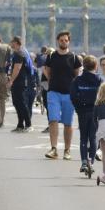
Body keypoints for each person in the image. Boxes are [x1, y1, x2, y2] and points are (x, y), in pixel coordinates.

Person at [44, 31, 82, 160]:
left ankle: (67, 150)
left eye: (66, 40)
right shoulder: (51, 56)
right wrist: (51, 83)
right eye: (61, 40)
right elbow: (47, 71)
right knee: (53, 119)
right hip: (53, 92)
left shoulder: (74, 57)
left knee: (67, 123)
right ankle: (54, 148)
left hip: (68, 94)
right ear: (57, 41)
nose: (64, 42)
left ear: (69, 42)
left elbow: (77, 75)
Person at [70, 55, 102, 174]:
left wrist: (78, 108)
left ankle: (84, 161)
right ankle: (91, 161)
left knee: (83, 137)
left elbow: (73, 96)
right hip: (95, 111)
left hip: (82, 111)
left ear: (84, 66)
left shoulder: (77, 80)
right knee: (93, 138)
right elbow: (102, 97)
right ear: (96, 66)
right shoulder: (99, 80)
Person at [8, 37, 36, 132]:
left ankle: (28, 124)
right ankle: (20, 125)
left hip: (20, 82)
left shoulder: (19, 54)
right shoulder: (21, 52)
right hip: (20, 81)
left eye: (11, 42)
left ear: (15, 43)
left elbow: (17, 68)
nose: (10, 43)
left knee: (21, 103)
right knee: (17, 103)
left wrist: (11, 80)